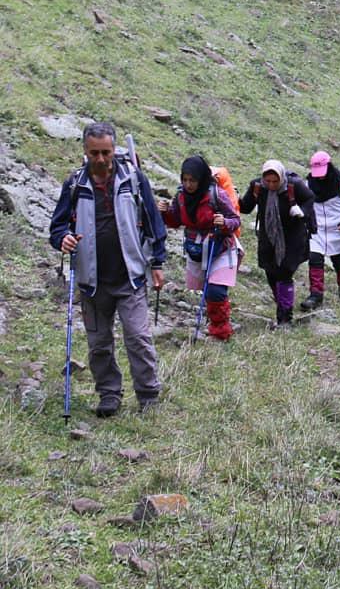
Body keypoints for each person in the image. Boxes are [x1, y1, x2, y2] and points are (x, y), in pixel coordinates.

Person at [48, 122, 167, 416]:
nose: (100, 159)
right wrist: (62, 238)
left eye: (105, 152)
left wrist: (158, 263)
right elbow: (57, 226)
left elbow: (153, 221)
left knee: (138, 338)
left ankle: (148, 396)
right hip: (92, 279)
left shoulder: (134, 179)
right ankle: (109, 395)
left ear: (114, 150)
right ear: (85, 151)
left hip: (131, 275)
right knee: (99, 344)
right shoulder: (75, 184)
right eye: (94, 153)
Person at [158, 155, 241, 341]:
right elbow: (176, 220)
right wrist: (164, 214)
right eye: (185, 180)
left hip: (221, 248)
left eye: (193, 180)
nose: (188, 184)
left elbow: (236, 220)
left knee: (215, 290)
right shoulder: (180, 196)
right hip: (196, 250)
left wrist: (224, 222)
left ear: (202, 178)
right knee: (208, 290)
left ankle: (220, 332)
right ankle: (216, 322)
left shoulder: (217, 194)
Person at [238, 160, 316, 326]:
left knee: (284, 274)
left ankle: (285, 318)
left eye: (275, 181)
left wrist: (302, 211)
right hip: (268, 238)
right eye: (268, 181)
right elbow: (245, 207)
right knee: (271, 274)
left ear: (281, 177)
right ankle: (283, 304)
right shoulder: (257, 187)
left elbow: (310, 199)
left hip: (293, 238)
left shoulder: (294, 185)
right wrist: (233, 197)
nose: (272, 185)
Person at [301, 151, 340, 311]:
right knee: (314, 259)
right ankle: (316, 295)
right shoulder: (309, 182)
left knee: (339, 260)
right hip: (317, 229)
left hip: (338, 228)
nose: (319, 177)